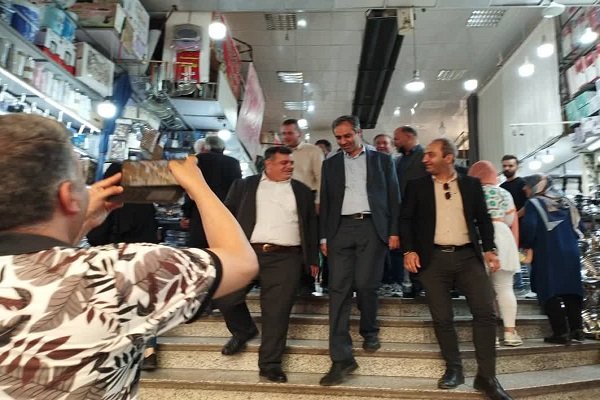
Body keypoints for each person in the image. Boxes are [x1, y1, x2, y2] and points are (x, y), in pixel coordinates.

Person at [0, 114, 258, 398]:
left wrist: (78, 225)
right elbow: (240, 261)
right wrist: (198, 187)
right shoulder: (115, 273)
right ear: (68, 196)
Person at [399, 138, 513, 400]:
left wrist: (489, 248)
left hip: (468, 257)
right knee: (442, 318)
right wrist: (409, 250)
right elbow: (405, 220)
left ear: (448, 157)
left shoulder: (471, 184)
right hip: (433, 259)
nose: (425, 159)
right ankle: (454, 369)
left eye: (431, 154)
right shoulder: (417, 186)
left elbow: (483, 219)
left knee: (485, 313)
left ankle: (487, 377)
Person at [213, 146, 318, 383]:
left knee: (276, 313)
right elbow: (225, 217)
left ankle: (270, 364)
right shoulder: (244, 186)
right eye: (284, 163)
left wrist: (312, 259)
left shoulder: (302, 191)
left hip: (287, 257)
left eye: (291, 163)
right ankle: (244, 330)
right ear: (268, 164)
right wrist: (224, 248)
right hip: (247, 253)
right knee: (225, 295)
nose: (289, 166)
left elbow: (311, 225)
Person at [319, 115, 400, 386]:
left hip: (372, 227)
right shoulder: (330, 164)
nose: (343, 141)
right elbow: (326, 201)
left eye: (347, 136)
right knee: (338, 290)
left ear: (358, 132)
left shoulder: (382, 160)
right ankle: (341, 358)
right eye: (338, 137)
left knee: (366, 285)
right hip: (340, 229)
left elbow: (394, 198)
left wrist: (394, 231)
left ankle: (369, 330)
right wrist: (324, 236)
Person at [86, 162, 161, 369]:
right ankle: (149, 351)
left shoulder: (105, 202)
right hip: (141, 261)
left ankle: (111, 352)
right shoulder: (144, 202)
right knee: (144, 306)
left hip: (110, 262)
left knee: (109, 307)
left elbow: (95, 236)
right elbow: (152, 234)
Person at [520, 175, 585, 345]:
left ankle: (561, 333)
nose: (524, 189)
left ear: (536, 186)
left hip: (548, 251)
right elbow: (581, 227)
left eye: (527, 185)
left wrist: (525, 245)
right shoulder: (566, 202)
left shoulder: (534, 203)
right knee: (571, 290)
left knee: (548, 290)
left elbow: (529, 227)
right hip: (570, 251)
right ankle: (577, 330)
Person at [468, 161, 523, 347]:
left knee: (482, 291)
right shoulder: (504, 193)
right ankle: (510, 332)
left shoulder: (470, 193)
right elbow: (510, 219)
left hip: (478, 238)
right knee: (505, 288)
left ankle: (490, 336)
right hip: (502, 235)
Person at [280, 119, 323, 296]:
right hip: (282, 200)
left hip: (307, 199)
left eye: (290, 133)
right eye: (283, 133)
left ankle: (307, 281)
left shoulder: (312, 151)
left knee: (307, 240)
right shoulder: (279, 153)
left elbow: (321, 178)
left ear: (299, 133)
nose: (286, 137)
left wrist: (318, 202)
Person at [181, 135, 242, 248]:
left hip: (200, 211)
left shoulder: (197, 160)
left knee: (199, 248)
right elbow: (238, 190)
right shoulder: (234, 163)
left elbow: (190, 187)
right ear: (223, 148)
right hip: (225, 212)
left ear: (205, 147)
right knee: (220, 247)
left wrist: (186, 213)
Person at [393, 125, 429, 298]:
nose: (394, 142)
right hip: (402, 212)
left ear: (409, 136)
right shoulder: (399, 160)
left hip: (421, 212)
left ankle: (422, 285)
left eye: (397, 138)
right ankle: (409, 285)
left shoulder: (425, 156)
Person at [499, 154, 529, 296]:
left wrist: (514, 217)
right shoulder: (501, 187)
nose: (507, 168)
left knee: (526, 255)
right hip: (507, 229)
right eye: (505, 166)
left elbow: (528, 205)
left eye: (510, 165)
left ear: (517, 166)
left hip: (523, 227)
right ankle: (517, 284)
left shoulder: (523, 184)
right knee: (511, 255)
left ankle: (528, 286)